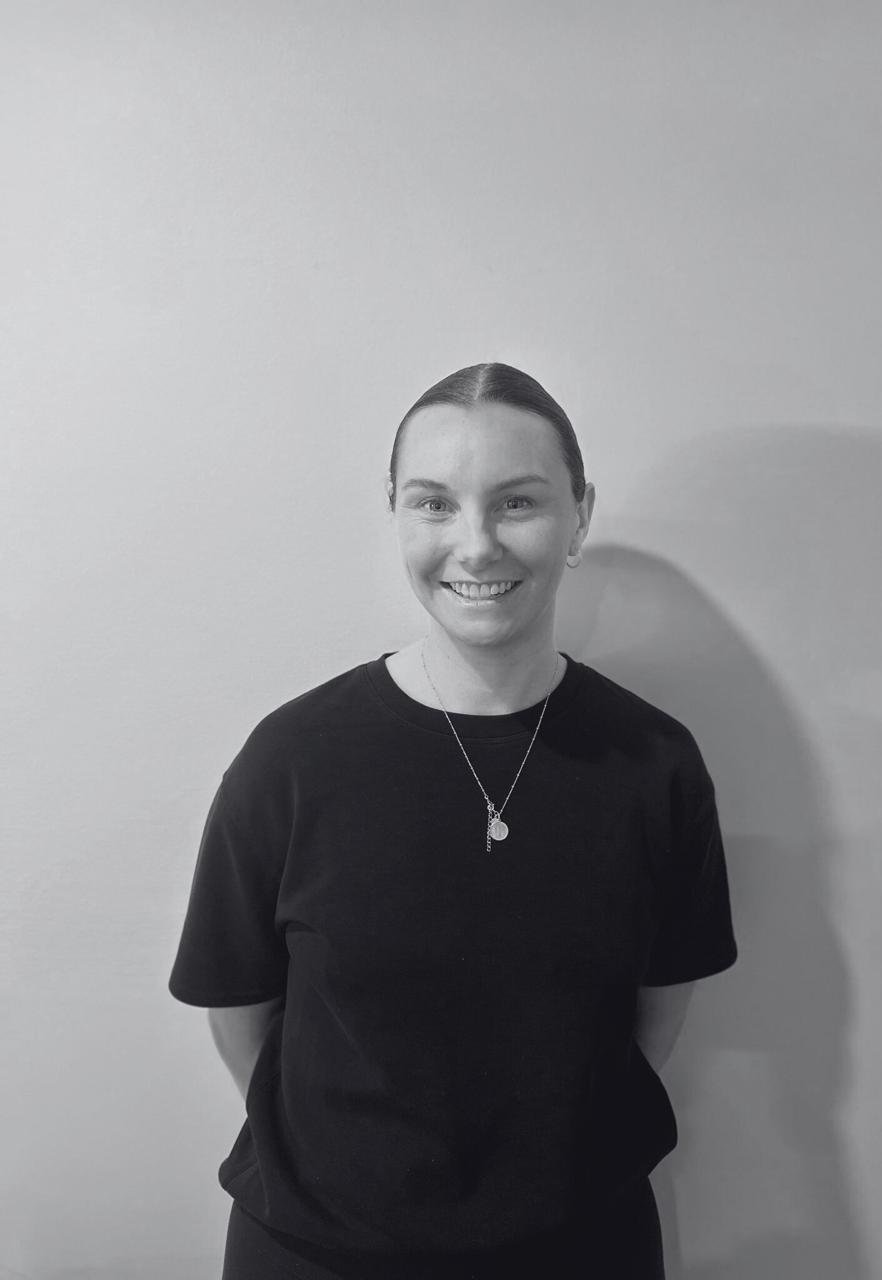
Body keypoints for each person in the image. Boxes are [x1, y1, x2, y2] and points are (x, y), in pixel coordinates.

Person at [168, 362, 738, 1280]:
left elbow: (656, 1011)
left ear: (579, 515)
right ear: (395, 511)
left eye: (517, 503)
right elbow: (238, 1007)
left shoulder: (655, 766)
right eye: (434, 504)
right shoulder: (293, 759)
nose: (475, 546)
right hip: (319, 1251)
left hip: (580, 1246)